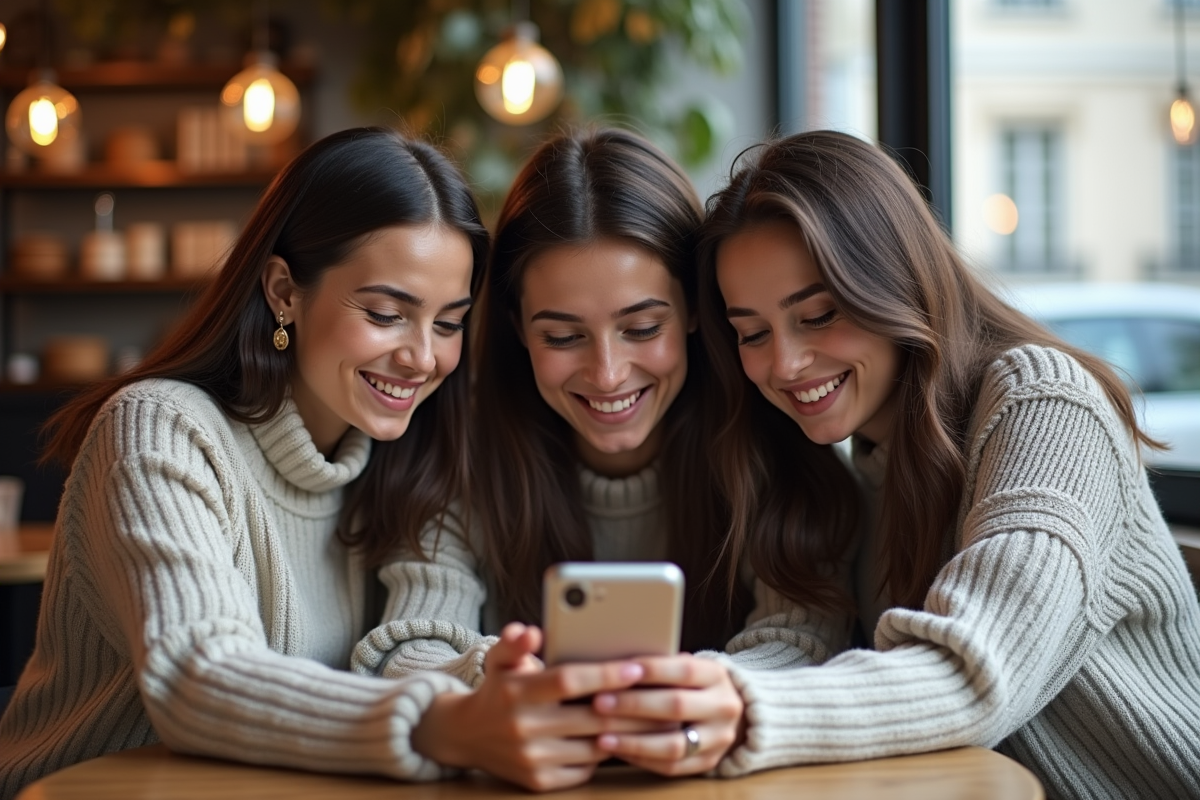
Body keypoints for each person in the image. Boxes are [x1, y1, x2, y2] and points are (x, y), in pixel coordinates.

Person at [590, 129, 1200, 799]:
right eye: (752, 333)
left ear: (894, 283)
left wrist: (734, 709)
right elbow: (799, 645)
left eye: (818, 315)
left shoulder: (1045, 404)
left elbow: (975, 670)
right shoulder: (847, 464)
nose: (783, 364)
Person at [350, 128, 856, 791]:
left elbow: (805, 641)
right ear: (517, 328)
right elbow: (408, 649)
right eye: (562, 336)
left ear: (696, 311)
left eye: (643, 328)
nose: (609, 373)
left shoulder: (772, 435)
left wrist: (696, 697)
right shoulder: (461, 451)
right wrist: (501, 680)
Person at [0, 127, 497, 797]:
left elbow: (421, 654)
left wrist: (508, 681)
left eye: (448, 323)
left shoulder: (419, 454)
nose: (423, 357)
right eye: (386, 313)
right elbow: (200, 676)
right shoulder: (161, 428)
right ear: (284, 290)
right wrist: (443, 723)